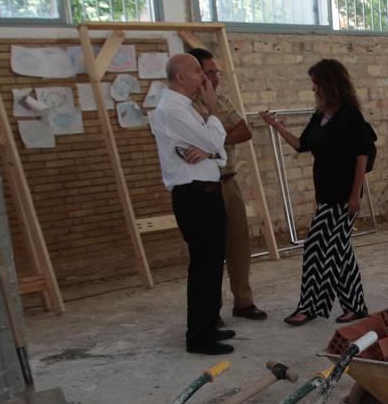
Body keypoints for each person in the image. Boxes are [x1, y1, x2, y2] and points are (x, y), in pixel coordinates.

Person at [259, 59, 372, 326]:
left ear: (329, 83)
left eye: (316, 83)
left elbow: (362, 154)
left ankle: (310, 306)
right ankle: (356, 306)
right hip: (326, 196)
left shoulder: (349, 115)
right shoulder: (320, 115)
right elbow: (301, 145)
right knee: (339, 251)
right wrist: (277, 126)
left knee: (317, 250)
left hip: (344, 197)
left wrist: (355, 194)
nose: (313, 88)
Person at [150, 53, 233, 355]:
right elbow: (215, 144)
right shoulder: (173, 109)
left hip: (206, 190)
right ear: (181, 77)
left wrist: (211, 149)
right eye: (198, 71)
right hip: (194, 194)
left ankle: (209, 326)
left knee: (213, 264)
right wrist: (212, 112)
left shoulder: (184, 108)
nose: (204, 77)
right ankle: (199, 336)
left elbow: (217, 154)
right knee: (204, 266)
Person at [185, 47, 267, 322]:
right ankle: (211, 309)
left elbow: (244, 130)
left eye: (215, 72)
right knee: (210, 250)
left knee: (238, 245)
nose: (214, 78)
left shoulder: (219, 99)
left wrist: (214, 143)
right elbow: (193, 144)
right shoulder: (185, 105)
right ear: (192, 74)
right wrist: (215, 139)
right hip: (202, 185)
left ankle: (243, 301)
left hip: (228, 182)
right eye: (207, 72)